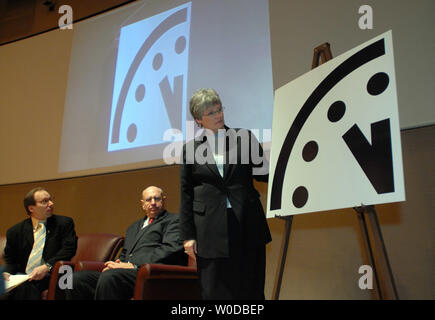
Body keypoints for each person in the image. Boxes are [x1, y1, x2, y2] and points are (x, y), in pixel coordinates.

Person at [180, 88, 272, 300]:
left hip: (246, 222)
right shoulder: (190, 149)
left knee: (250, 288)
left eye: (219, 109)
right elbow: (186, 195)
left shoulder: (244, 138)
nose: (218, 115)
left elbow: (264, 174)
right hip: (210, 227)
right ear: (198, 120)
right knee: (215, 290)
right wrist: (188, 236)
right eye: (211, 113)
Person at [66, 186, 185, 300]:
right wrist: (116, 264)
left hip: (150, 273)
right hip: (125, 272)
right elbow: (125, 253)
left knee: (110, 277)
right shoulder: (133, 227)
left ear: (164, 200)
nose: (153, 202)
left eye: (157, 198)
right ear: (143, 204)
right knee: (75, 279)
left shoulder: (174, 220)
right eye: (148, 199)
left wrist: (134, 264)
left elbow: (170, 249)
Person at [3, 187, 77, 300]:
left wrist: (47, 267)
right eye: (44, 201)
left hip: (52, 274)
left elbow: (68, 250)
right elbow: (11, 260)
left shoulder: (64, 223)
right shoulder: (15, 231)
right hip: (24, 276)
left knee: (25, 287)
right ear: (31, 208)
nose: (51, 204)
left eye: (50, 199)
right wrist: (7, 273)